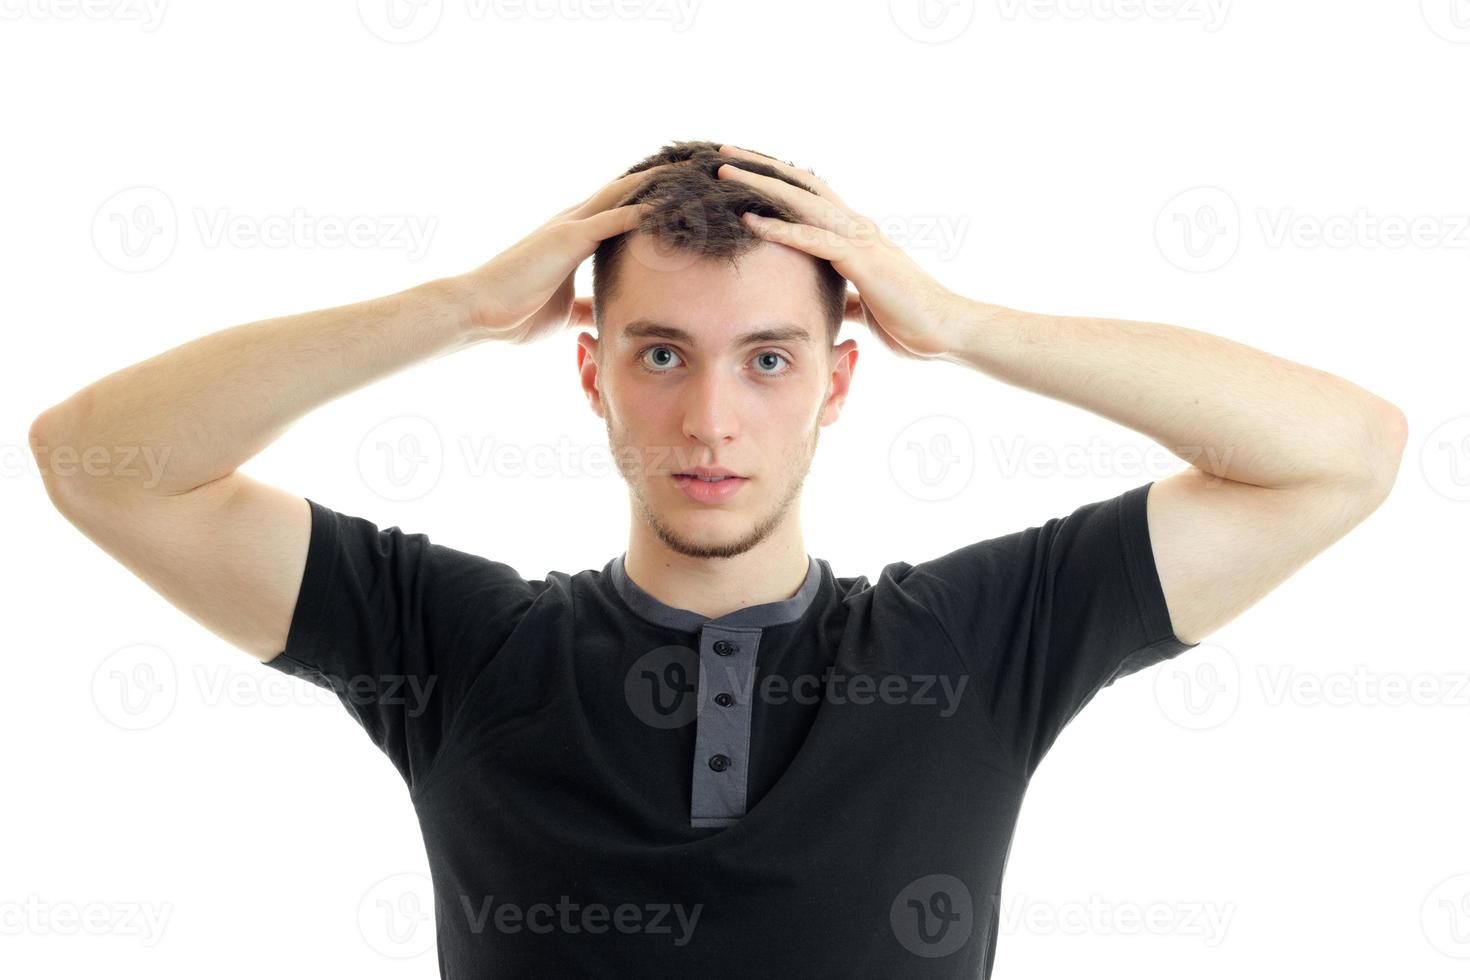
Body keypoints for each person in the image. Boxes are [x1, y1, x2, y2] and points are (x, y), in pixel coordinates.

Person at [28, 139, 1407, 978]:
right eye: (659, 355)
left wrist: (970, 324)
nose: (708, 421)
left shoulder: (975, 647)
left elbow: (1340, 451)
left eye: (766, 360)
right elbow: (101, 460)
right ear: (590, 371)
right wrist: (452, 307)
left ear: (838, 382)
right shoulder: (453, 649)